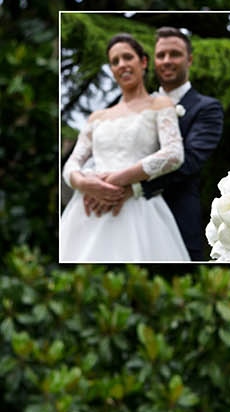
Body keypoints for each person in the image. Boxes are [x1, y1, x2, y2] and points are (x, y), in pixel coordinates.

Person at [59, 33, 190, 263]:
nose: (122, 65)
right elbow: (72, 163)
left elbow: (173, 154)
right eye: (115, 61)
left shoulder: (160, 105)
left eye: (127, 57)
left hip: (137, 208)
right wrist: (84, 183)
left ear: (143, 62)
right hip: (88, 207)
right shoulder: (98, 117)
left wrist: (118, 180)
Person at [142, 26, 225, 262]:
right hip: (129, 214)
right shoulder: (137, 106)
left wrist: (135, 185)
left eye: (175, 54)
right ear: (152, 61)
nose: (167, 61)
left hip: (177, 215)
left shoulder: (207, 108)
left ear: (190, 59)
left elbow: (190, 161)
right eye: (161, 55)